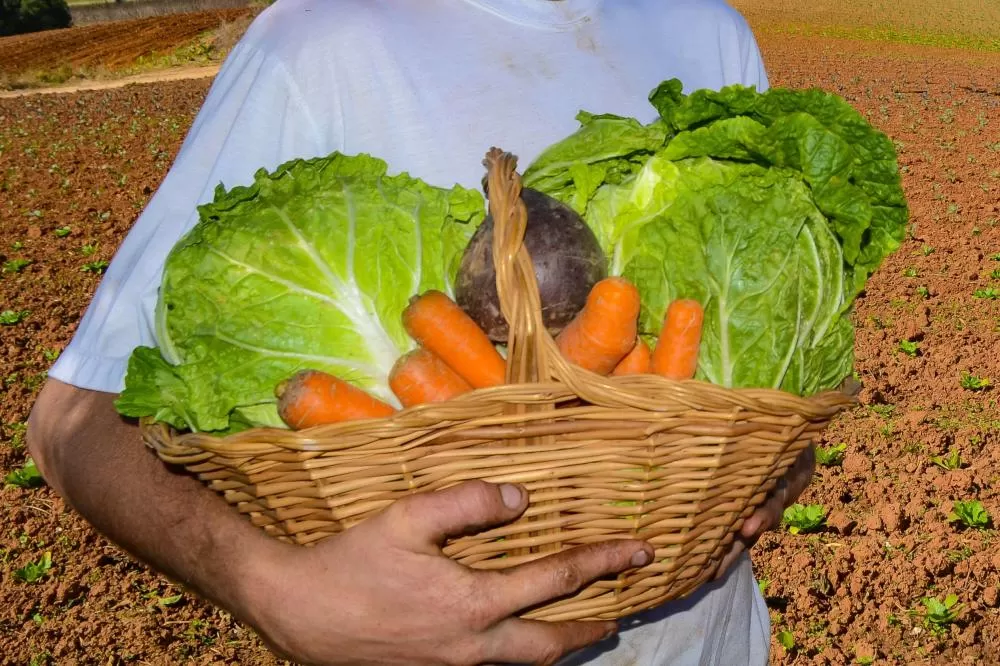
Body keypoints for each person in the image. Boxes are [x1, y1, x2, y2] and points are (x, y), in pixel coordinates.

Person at [27, 1, 816, 664]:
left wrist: (775, 452)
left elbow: (748, 345)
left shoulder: (706, 27)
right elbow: (72, 420)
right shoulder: (319, 42)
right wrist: (274, 593)